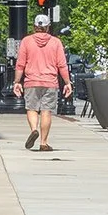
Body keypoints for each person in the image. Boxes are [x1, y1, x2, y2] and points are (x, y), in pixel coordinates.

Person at [13, 13, 71, 151]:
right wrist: (67, 82)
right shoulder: (56, 42)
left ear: (34, 27)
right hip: (50, 81)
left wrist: (16, 81)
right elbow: (62, 65)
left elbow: (20, 64)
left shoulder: (26, 41)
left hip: (31, 80)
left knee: (32, 109)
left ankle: (34, 130)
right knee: (46, 111)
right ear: (48, 27)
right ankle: (43, 142)